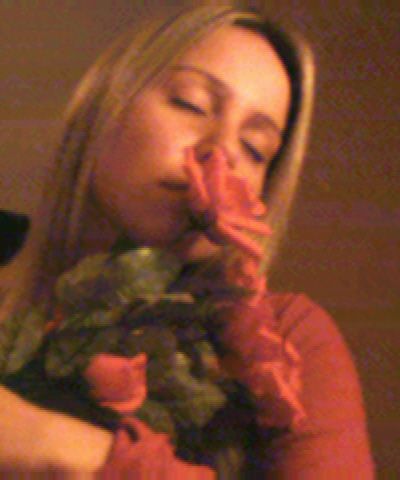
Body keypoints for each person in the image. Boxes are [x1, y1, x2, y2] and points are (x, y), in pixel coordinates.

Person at [0, 4, 375, 478]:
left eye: (255, 149)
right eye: (190, 103)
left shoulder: (286, 343)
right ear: (103, 106)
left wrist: (58, 446)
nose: (221, 153)